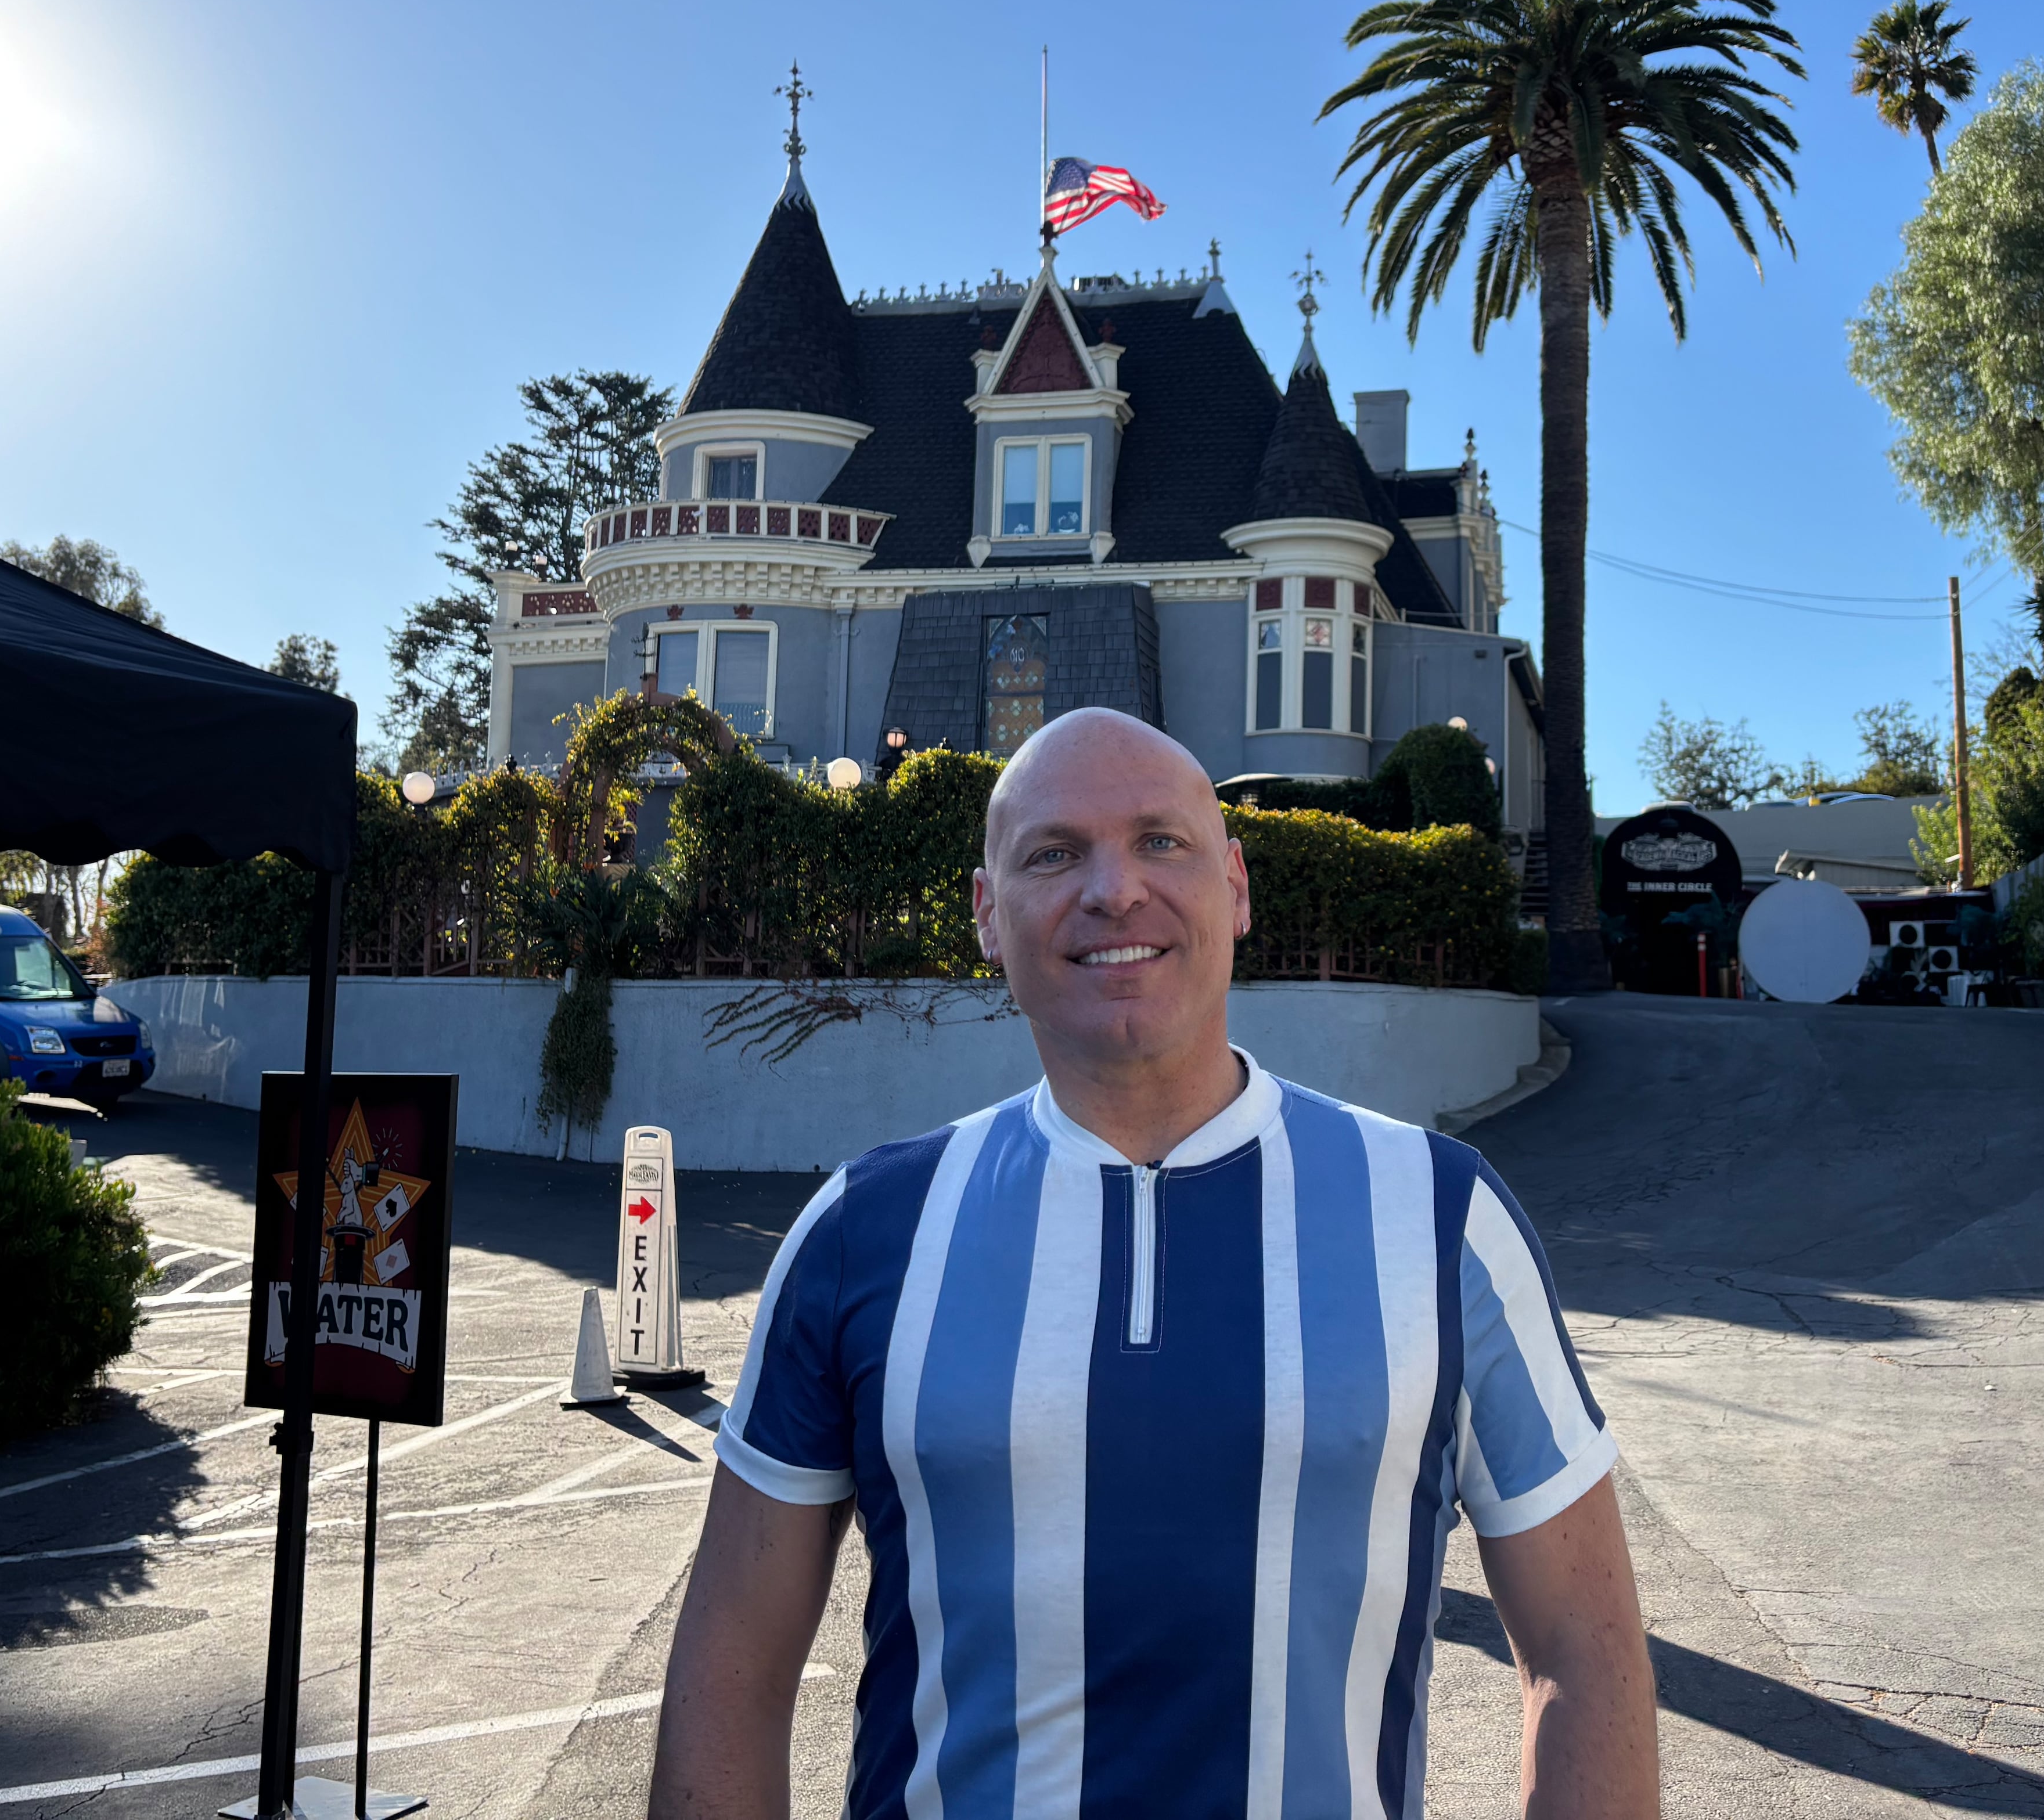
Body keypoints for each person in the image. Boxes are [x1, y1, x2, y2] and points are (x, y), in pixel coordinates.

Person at [649, 708, 1660, 1818]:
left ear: (1237, 886)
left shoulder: (1442, 1214)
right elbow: (731, 1666)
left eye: (1161, 841)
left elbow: (1586, 1647)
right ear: (989, 915)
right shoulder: (862, 1229)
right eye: (1053, 852)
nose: (1114, 889)